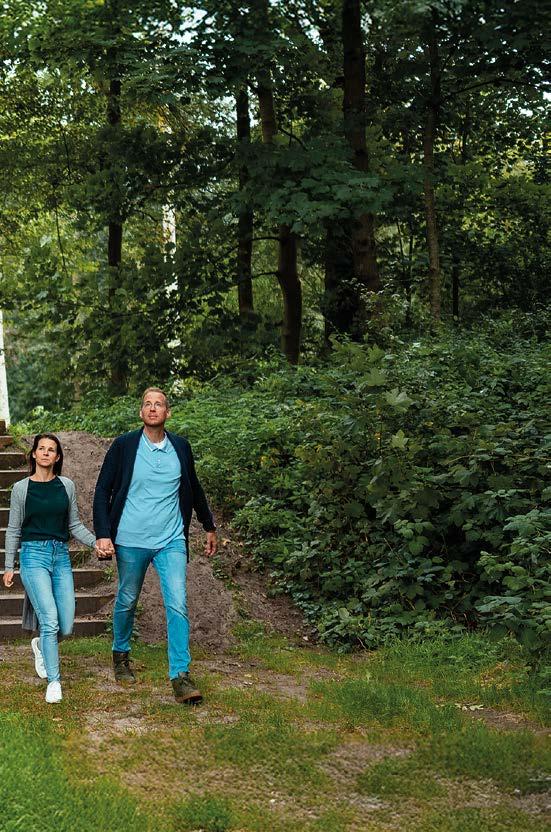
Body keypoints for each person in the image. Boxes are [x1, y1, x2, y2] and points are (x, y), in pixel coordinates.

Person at [93, 387, 217, 704]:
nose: (152, 408)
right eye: (147, 404)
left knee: (177, 603)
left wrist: (208, 525)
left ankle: (180, 676)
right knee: (127, 599)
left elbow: (194, 487)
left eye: (158, 404)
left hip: (171, 540)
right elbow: (103, 490)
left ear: (167, 412)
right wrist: (103, 533)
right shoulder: (124, 446)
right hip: (130, 540)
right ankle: (120, 655)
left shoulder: (181, 447)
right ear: (141, 412)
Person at [2, 433, 108, 703]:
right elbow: (13, 529)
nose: (46, 453)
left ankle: (40, 644)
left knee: (66, 625)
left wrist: (95, 543)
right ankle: (54, 681)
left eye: (51, 449)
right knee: (49, 620)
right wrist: (9, 565)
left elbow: (74, 525)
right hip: (33, 556)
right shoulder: (21, 489)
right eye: (42, 448)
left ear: (57, 456)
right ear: (34, 454)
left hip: (60, 556)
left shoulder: (66, 486)